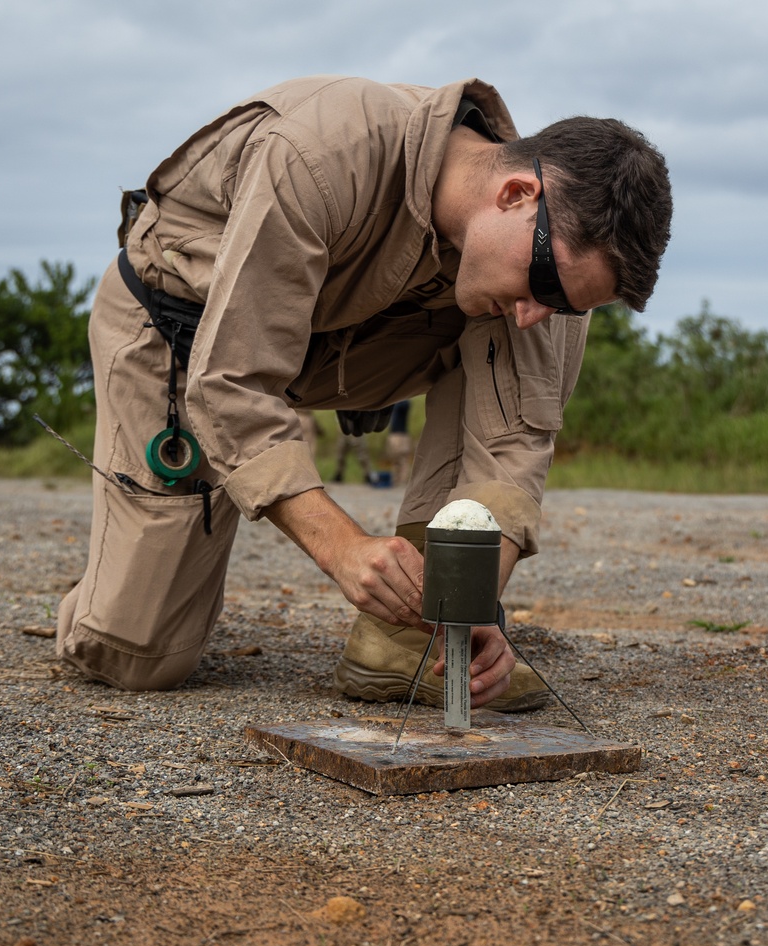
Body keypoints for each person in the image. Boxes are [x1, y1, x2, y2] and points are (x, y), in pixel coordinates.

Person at [57, 75, 672, 711]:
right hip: (183, 334)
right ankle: (112, 570)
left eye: (564, 307)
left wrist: (468, 602)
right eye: (544, 287)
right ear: (517, 193)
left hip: (348, 347)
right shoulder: (320, 153)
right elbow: (232, 381)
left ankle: (404, 639)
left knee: (503, 323)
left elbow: (514, 439)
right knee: (138, 655)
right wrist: (345, 550)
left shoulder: (550, 268)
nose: (534, 316)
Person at [385, 399, 413, 486]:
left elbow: (406, 404)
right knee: (395, 460)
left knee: (403, 460)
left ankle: (403, 481)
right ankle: (395, 481)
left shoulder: (403, 403)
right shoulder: (394, 403)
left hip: (401, 435)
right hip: (394, 435)